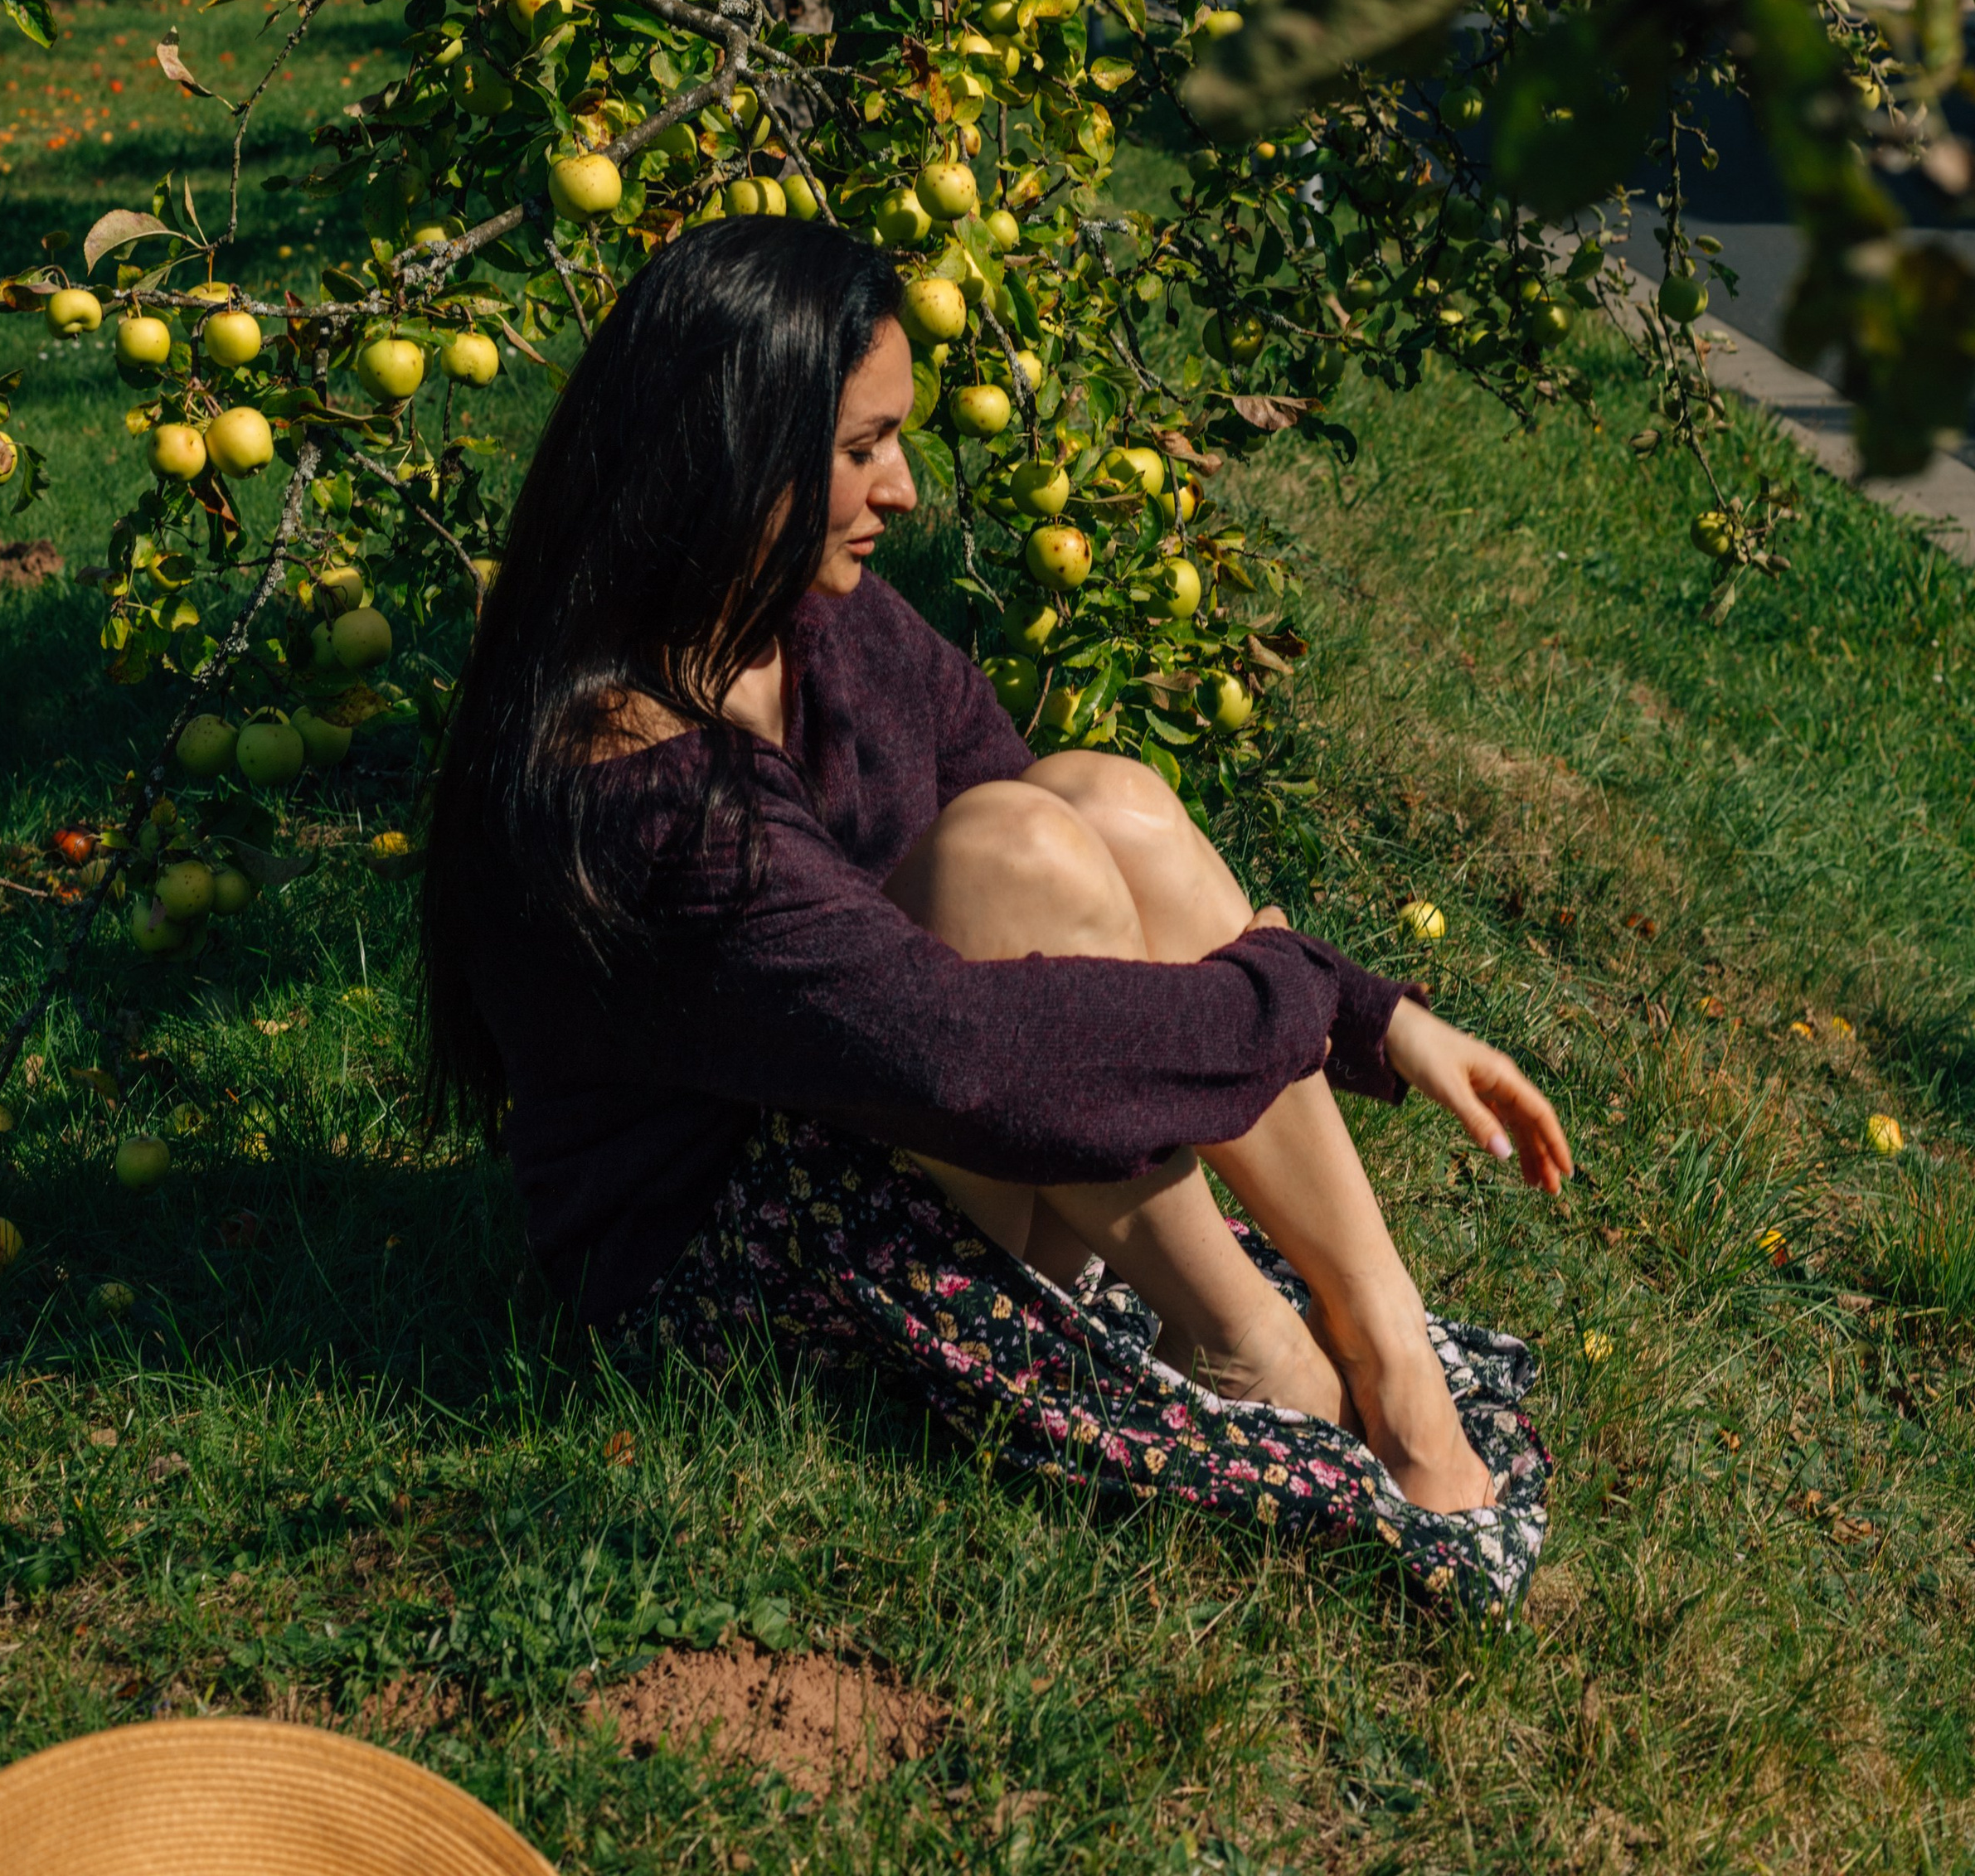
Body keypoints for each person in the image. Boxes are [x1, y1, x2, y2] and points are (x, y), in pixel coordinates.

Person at [422, 219, 1570, 1611]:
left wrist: (1360, 1007)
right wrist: (1316, 1003)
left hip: (891, 1119)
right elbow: (968, 1056)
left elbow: (1059, 853)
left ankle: (1380, 1337)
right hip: (729, 1263)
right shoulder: (643, 791)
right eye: (857, 452)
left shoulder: (799, 623)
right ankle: (1250, 1351)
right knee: (1018, 847)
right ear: (726, 451)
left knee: (1105, 798)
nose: (900, 490)